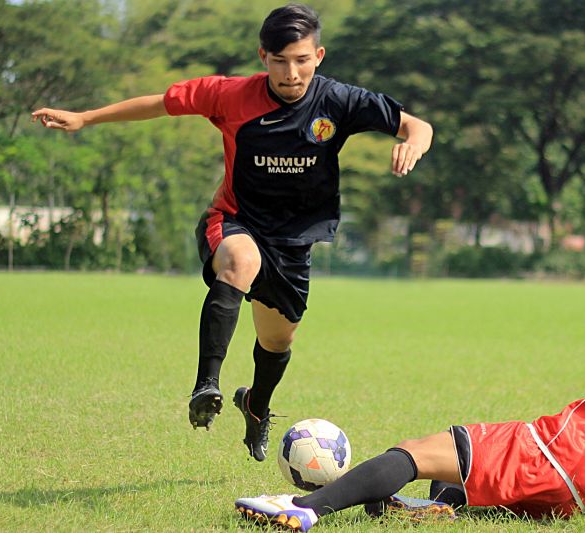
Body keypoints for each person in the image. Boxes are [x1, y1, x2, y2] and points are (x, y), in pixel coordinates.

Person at [31, 3, 433, 461]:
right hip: (236, 219)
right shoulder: (229, 95)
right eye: (280, 60)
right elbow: (160, 103)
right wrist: (86, 117)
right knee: (239, 262)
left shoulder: (338, 101)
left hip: (294, 242)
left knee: (277, 341)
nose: (291, 72)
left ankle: (256, 405)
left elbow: (416, 125)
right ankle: (207, 385)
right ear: (263, 56)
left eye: (301, 60)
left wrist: (414, 143)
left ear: (318, 55)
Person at [234, 274, 585, 531]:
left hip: (551, 451)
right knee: (454, 479)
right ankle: (435, 508)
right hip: (576, 500)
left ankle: (304, 511)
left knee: (416, 452)